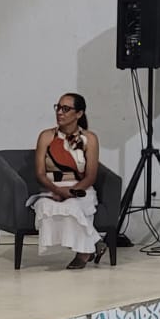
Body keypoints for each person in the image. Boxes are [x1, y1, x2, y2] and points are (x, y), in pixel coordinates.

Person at [32, 93, 107, 269]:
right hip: (52, 188)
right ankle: (95, 242)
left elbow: (90, 176)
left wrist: (71, 192)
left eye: (66, 109)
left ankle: (83, 253)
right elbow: (40, 173)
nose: (60, 112)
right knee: (45, 206)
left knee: (73, 205)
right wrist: (58, 191)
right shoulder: (46, 136)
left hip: (81, 188)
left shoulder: (90, 139)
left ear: (79, 114)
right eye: (58, 107)